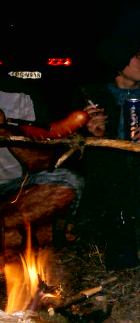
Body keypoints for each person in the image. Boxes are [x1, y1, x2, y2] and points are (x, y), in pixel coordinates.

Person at [71, 30, 140, 269]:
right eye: (139, 53)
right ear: (118, 57)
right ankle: (119, 237)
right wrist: (95, 137)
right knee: (112, 167)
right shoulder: (89, 96)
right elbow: (73, 159)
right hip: (110, 189)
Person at [1, 76, 84, 257]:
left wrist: (4, 133)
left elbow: (42, 163)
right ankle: (33, 236)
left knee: (67, 181)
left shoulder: (21, 95)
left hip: (10, 195)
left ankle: (13, 236)